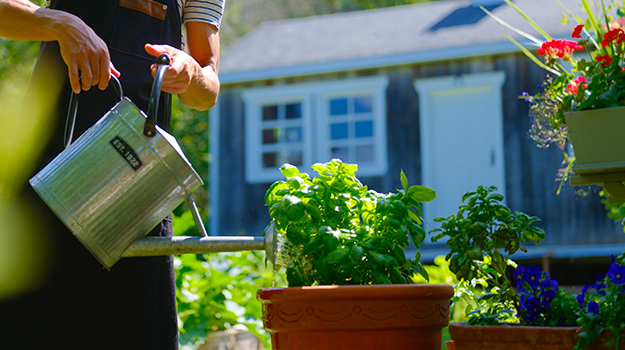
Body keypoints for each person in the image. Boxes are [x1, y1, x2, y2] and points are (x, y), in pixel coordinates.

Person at [0, 0, 222, 348]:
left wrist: (191, 73)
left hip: (139, 190)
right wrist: (59, 23)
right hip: (48, 172)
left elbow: (207, 86)